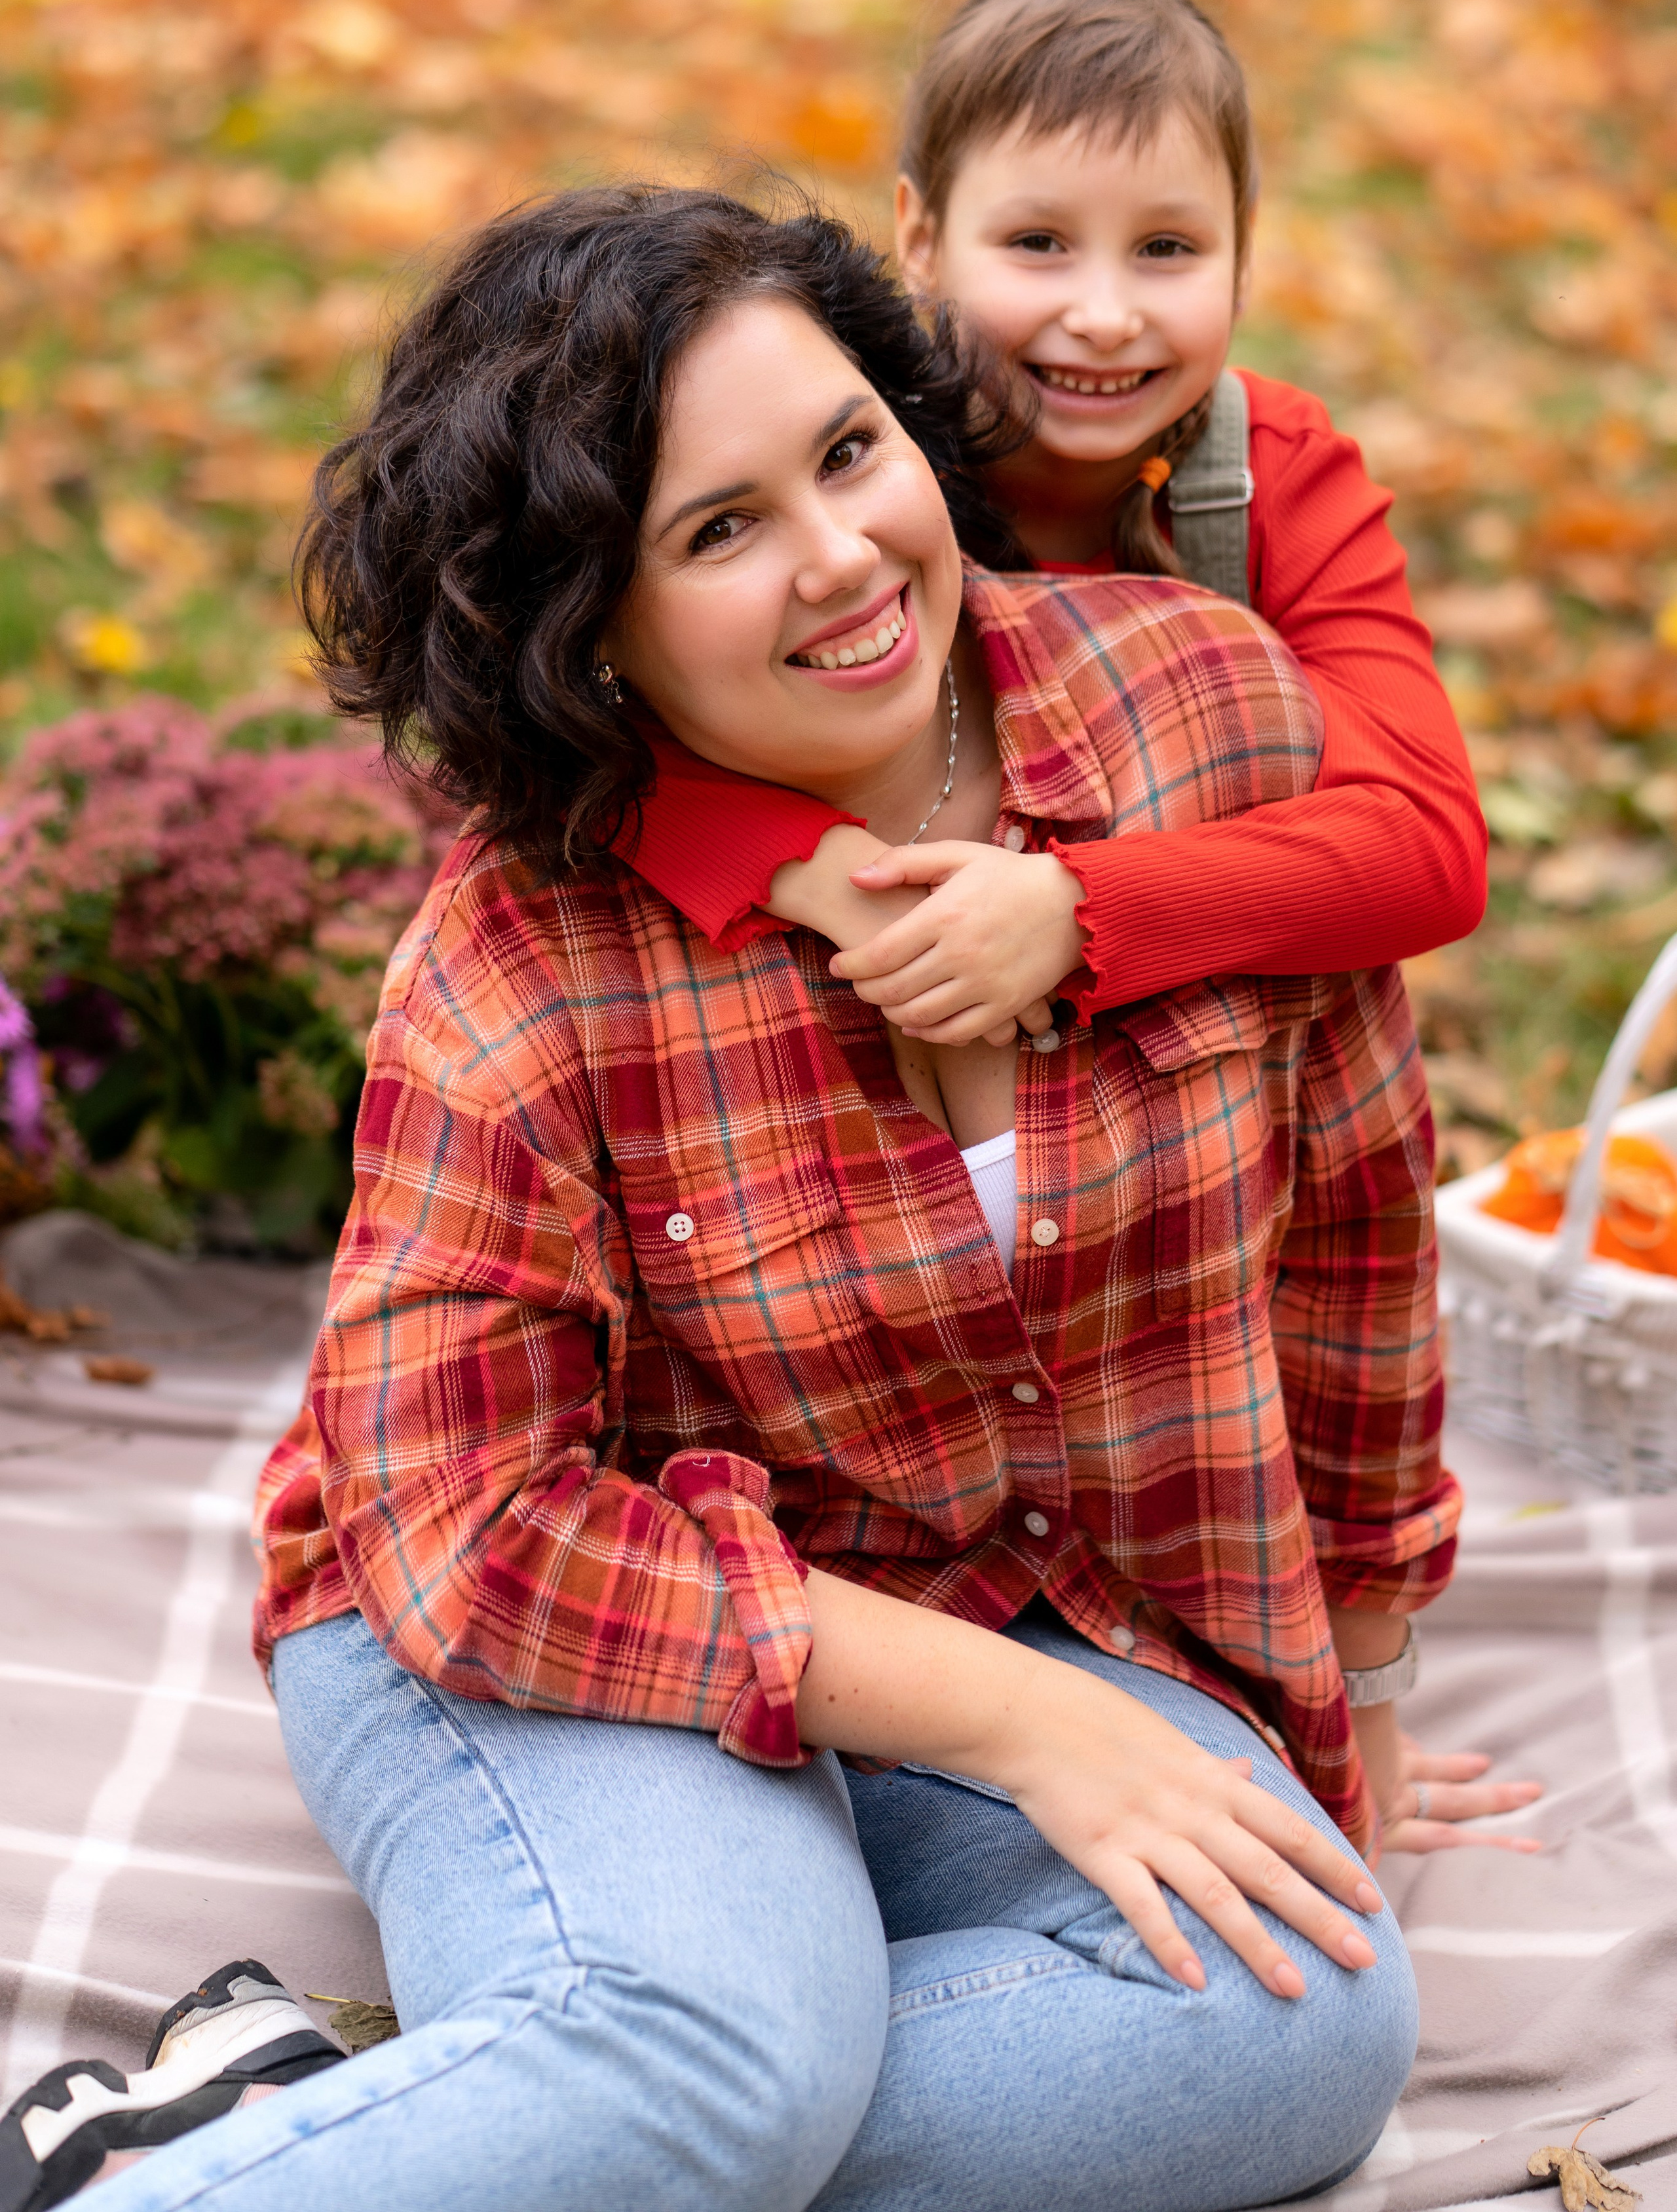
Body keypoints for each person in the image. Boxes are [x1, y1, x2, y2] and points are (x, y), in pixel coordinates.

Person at [79, 185, 1485, 2212]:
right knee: (731, 2045)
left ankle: (389, 2117)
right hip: (562, 1613)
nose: (843, 559)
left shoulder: (1212, 717)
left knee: (1301, 2007)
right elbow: (463, 1527)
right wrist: (1012, 1723)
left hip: (1016, 1595)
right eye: (718, 530)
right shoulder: (524, 949)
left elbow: (1358, 1222)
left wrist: (1354, 1674)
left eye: (846, 453)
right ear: (595, 630)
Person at [616, 0, 1489, 1069]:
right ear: (920, 236)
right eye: (1039, 243)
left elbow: (1427, 844)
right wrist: (814, 871)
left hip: (1200, 1078)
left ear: (1243, 250)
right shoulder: (851, 476)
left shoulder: (1273, 477)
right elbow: (585, 740)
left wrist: (1080, 913)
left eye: (1168, 249)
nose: (1107, 315)